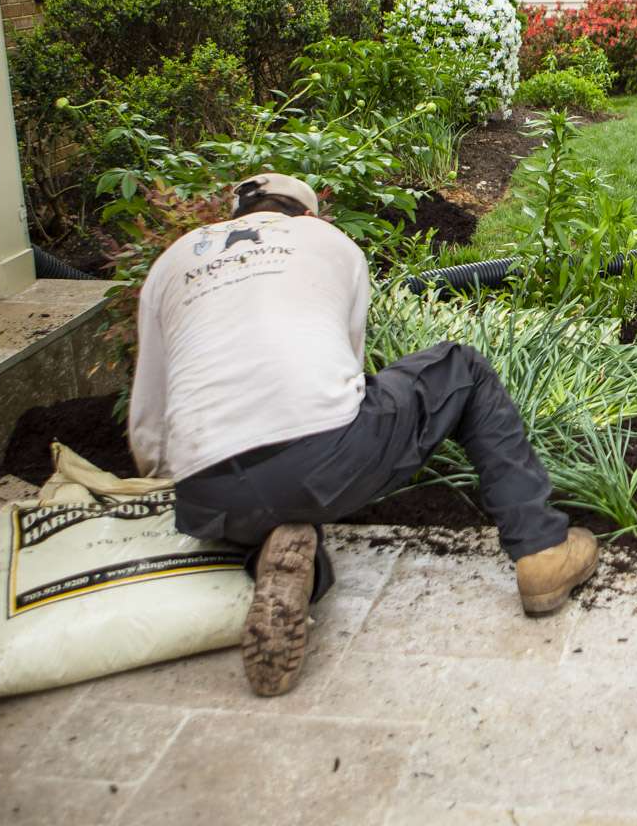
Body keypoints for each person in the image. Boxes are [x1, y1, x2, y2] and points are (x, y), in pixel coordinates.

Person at [127, 173, 597, 696]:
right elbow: (345, 380)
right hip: (323, 455)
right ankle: (542, 551)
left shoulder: (172, 262)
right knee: (461, 368)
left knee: (270, 490)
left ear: (233, 214)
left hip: (204, 494)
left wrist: (175, 477)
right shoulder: (328, 243)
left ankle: (273, 556)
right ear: (307, 216)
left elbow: (149, 418)